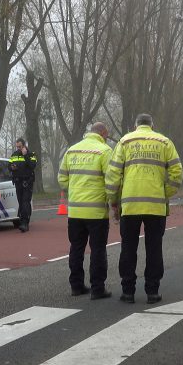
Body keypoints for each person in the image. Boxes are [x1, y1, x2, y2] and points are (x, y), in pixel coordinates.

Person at [105, 113, 183, 304]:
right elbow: (177, 173)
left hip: (130, 205)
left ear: (136, 125)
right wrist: (165, 193)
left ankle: (128, 292)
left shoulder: (124, 142)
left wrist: (114, 200)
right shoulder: (165, 143)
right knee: (154, 248)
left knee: (128, 248)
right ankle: (152, 291)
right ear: (152, 125)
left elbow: (113, 174)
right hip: (155, 206)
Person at [58, 123, 113, 299]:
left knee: (76, 248)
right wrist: (112, 201)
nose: (107, 138)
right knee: (97, 250)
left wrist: (73, 191)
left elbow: (62, 179)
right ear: (103, 133)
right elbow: (111, 181)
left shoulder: (72, 150)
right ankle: (97, 288)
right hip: (96, 211)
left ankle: (76, 286)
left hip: (74, 211)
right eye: (107, 135)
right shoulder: (104, 151)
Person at [9, 137, 38, 232]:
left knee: (25, 202)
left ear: (24, 146)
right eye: (17, 146)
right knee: (21, 202)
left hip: (27, 182)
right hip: (18, 182)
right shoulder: (14, 155)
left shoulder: (31, 155)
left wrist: (25, 155)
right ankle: (25, 220)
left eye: (20, 147)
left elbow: (32, 166)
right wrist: (11, 167)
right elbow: (9, 165)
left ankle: (24, 223)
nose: (18, 148)